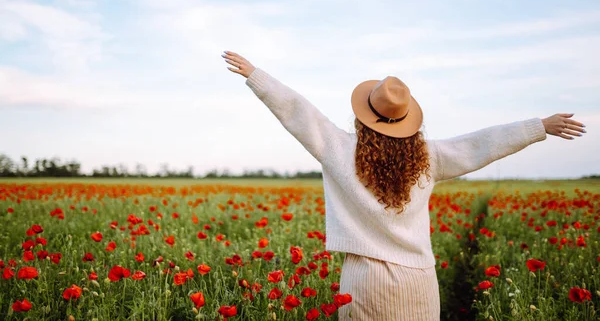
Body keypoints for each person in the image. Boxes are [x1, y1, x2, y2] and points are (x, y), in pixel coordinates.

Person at [220, 50, 586, 320]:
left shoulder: (340, 150)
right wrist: (539, 127)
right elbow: (481, 144)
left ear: (364, 116)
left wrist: (256, 76)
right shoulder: (429, 157)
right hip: (419, 283)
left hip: (365, 281)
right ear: (407, 120)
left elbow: (299, 113)